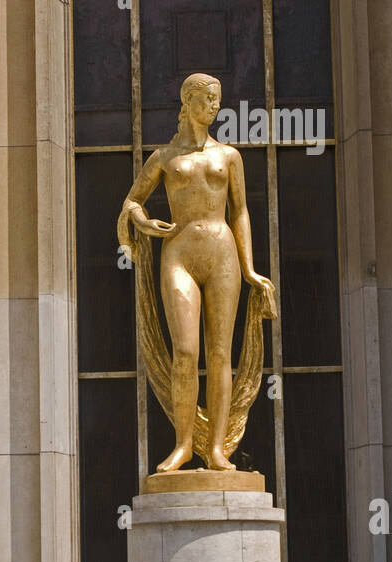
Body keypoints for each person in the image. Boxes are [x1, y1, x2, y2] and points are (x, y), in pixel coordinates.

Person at [117, 72, 277, 473]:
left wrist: (250, 268)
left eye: (217, 99)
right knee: (186, 352)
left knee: (221, 353)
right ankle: (184, 445)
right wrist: (144, 222)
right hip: (179, 253)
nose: (214, 106)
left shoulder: (229, 156)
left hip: (222, 251)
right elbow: (132, 201)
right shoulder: (164, 158)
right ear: (187, 101)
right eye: (208, 99)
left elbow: (240, 211)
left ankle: (218, 449)